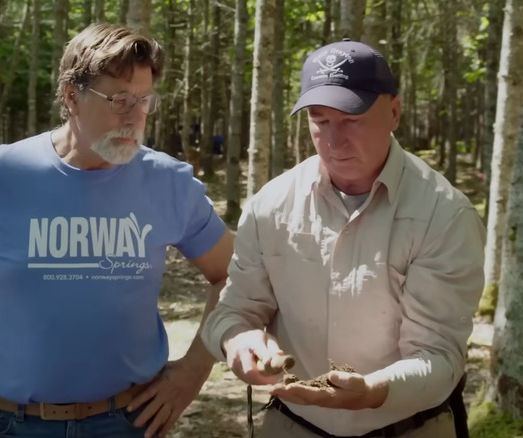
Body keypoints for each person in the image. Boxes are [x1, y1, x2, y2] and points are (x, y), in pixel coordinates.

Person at [0, 23, 233, 438]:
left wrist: (195, 369)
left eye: (145, 101)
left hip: (129, 422)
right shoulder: (1, 174)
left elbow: (231, 272)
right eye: (120, 100)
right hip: (13, 425)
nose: (135, 116)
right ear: (72, 95)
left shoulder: (169, 182)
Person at [201, 39, 485, 438]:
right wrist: (238, 340)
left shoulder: (443, 214)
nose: (334, 141)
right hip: (293, 424)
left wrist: (374, 391)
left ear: (395, 112)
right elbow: (232, 312)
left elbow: (439, 355)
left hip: (408, 428)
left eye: (352, 120)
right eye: (320, 120)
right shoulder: (272, 205)